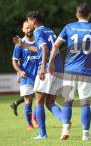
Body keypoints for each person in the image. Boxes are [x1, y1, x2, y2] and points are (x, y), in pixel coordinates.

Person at [48, 3, 91, 141]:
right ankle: (85, 135)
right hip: (85, 71)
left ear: (76, 14)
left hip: (69, 70)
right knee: (85, 103)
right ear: (89, 14)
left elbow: (55, 46)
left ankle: (65, 129)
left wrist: (51, 63)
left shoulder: (68, 27)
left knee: (67, 101)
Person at [27, 11, 63, 139]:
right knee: (49, 102)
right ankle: (65, 121)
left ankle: (43, 134)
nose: (28, 24)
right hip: (58, 69)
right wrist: (24, 45)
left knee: (39, 101)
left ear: (34, 21)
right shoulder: (50, 31)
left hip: (48, 69)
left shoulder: (37, 31)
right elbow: (43, 47)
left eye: (29, 21)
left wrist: (43, 68)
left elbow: (45, 49)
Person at [11, 21, 39, 130]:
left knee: (39, 99)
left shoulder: (38, 42)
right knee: (28, 100)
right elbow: (14, 61)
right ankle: (29, 124)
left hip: (39, 76)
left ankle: (35, 118)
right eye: (26, 28)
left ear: (34, 28)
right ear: (23, 29)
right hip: (26, 77)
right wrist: (19, 71)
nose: (29, 30)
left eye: (31, 28)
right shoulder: (19, 44)